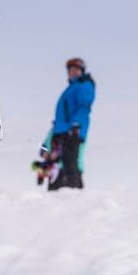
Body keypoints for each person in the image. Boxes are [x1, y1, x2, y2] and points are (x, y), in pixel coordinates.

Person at [44, 57, 96, 190]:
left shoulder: (84, 85)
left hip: (72, 132)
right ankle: (55, 199)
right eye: (70, 70)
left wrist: (75, 126)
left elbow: (84, 106)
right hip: (61, 132)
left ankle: (74, 196)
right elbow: (61, 117)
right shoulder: (70, 89)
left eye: (76, 69)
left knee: (70, 163)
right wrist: (48, 141)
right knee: (56, 165)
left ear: (81, 71)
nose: (72, 72)